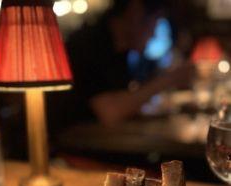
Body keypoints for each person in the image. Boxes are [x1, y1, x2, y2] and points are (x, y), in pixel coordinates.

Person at [49, 0, 195, 129]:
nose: (153, 34)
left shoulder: (119, 52)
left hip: (95, 144)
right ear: (135, 12)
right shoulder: (90, 45)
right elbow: (110, 113)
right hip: (66, 152)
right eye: (155, 22)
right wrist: (169, 80)